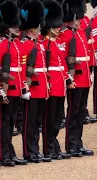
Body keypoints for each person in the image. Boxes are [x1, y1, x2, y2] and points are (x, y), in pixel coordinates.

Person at [59, 0, 94, 157]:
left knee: (80, 112)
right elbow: (63, 59)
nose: (80, 22)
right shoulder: (65, 35)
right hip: (75, 80)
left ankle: (78, 142)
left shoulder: (80, 33)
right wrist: (68, 78)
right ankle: (70, 144)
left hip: (85, 79)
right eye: (78, 19)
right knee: (73, 112)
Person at [19, 0, 51, 163]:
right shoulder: (24, 45)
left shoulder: (40, 44)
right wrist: (25, 86)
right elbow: (23, 68)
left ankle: (35, 149)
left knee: (37, 121)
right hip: (32, 88)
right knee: (29, 122)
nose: (40, 28)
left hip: (42, 88)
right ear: (32, 27)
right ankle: (28, 151)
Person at [41, 0, 74, 160]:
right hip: (51, 85)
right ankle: (48, 148)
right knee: (50, 117)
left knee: (58, 117)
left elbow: (64, 65)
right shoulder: (43, 44)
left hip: (61, 84)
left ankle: (54, 144)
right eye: (55, 26)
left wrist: (68, 80)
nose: (58, 29)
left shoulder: (60, 43)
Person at [0, 0, 28, 166]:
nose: (18, 28)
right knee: (4, 122)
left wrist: (23, 86)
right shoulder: (3, 44)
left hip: (16, 88)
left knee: (11, 123)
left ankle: (9, 151)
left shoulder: (16, 44)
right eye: (14, 25)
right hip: (6, 89)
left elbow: (21, 69)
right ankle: (4, 154)